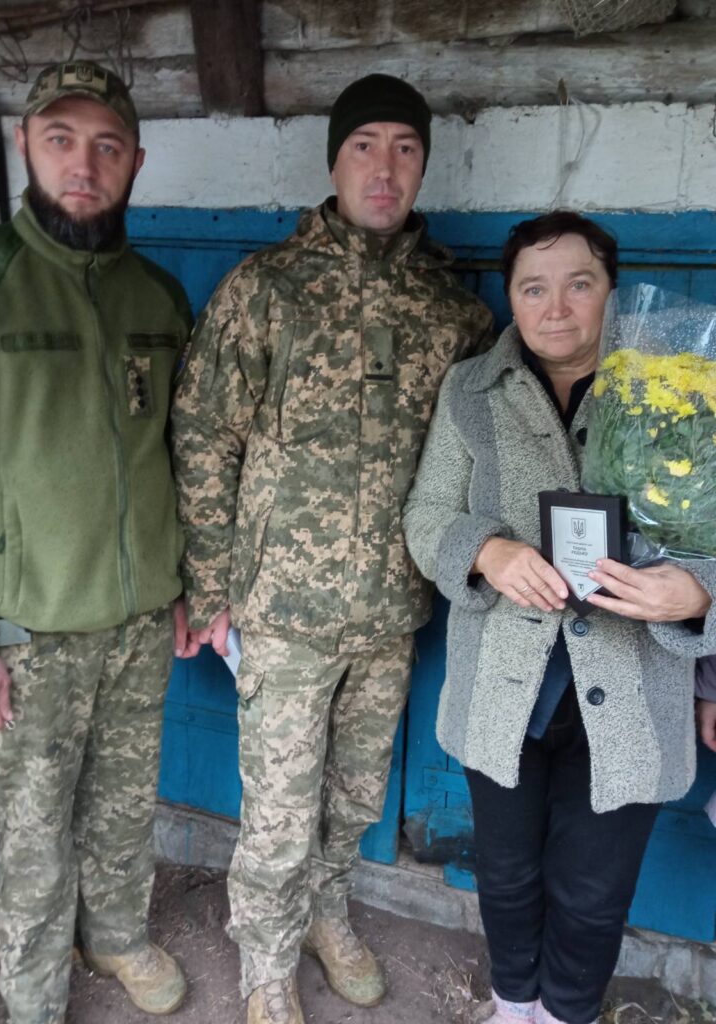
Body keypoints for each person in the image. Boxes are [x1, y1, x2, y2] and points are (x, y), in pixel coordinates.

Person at [172, 73, 494, 1024]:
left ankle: (325, 915)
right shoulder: (267, 289)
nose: (385, 167)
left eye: (405, 146)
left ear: (424, 165)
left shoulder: (453, 312)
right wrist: (211, 586)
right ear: (334, 160)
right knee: (277, 811)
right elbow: (203, 434)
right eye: (365, 145)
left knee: (352, 797)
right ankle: (266, 965)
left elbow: (473, 460)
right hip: (281, 609)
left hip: (390, 613)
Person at [403, 211, 716, 1024]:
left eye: (580, 284)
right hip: (505, 681)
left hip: (635, 684)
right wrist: (488, 552)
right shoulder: (472, 390)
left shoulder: (681, 389)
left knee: (592, 888)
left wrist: (699, 595)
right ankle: (514, 1006)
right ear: (510, 297)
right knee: (506, 873)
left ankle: (567, 1011)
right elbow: (426, 517)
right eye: (533, 288)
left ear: (612, 290)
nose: (557, 307)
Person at [0, 60, 195, 1024]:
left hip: (139, 623)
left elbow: (180, 457)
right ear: (23, 146)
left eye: (106, 146)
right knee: (36, 835)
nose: (82, 165)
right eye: (60, 139)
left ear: (136, 161)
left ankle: (119, 936)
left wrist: (184, 582)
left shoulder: (159, 298)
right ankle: (34, 995)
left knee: (126, 805)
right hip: (29, 633)